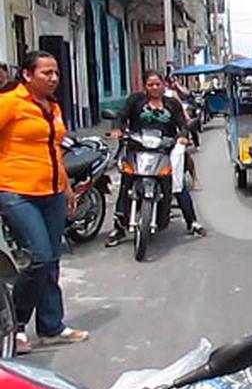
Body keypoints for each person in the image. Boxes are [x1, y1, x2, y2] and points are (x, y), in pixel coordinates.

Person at [0, 51, 89, 353]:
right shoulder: (10, 103)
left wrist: (66, 189)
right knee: (39, 257)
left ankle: (51, 326)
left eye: (55, 73)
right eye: (46, 73)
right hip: (16, 191)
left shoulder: (52, 107)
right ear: (27, 75)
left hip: (51, 192)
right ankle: (16, 323)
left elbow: (55, 151)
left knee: (51, 260)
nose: (53, 78)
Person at [106, 70, 206, 246]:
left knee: (176, 183)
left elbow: (182, 124)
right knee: (126, 183)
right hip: (137, 149)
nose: (154, 88)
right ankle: (119, 228)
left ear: (163, 85)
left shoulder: (172, 104)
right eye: (150, 84)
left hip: (164, 151)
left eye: (157, 84)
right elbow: (121, 116)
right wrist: (117, 129)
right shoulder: (135, 101)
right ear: (145, 86)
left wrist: (183, 135)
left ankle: (192, 222)